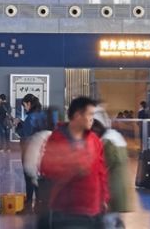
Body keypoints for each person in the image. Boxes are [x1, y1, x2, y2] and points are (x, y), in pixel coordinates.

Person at [40, 96, 108, 228]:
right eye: (90, 114)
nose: (92, 119)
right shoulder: (57, 139)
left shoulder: (94, 140)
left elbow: (101, 172)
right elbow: (45, 167)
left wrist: (104, 198)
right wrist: (73, 166)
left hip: (93, 210)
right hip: (66, 210)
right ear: (77, 115)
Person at [93, 106, 131, 229]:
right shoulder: (115, 137)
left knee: (110, 222)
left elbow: (103, 166)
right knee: (115, 221)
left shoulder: (107, 141)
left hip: (111, 192)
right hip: (119, 190)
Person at [16, 94, 48, 212]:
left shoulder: (30, 117)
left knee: (29, 178)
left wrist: (18, 126)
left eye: (24, 105)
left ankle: (29, 206)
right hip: (42, 152)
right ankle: (40, 205)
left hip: (30, 151)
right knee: (38, 178)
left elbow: (25, 134)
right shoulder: (43, 115)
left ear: (29, 104)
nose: (24, 108)